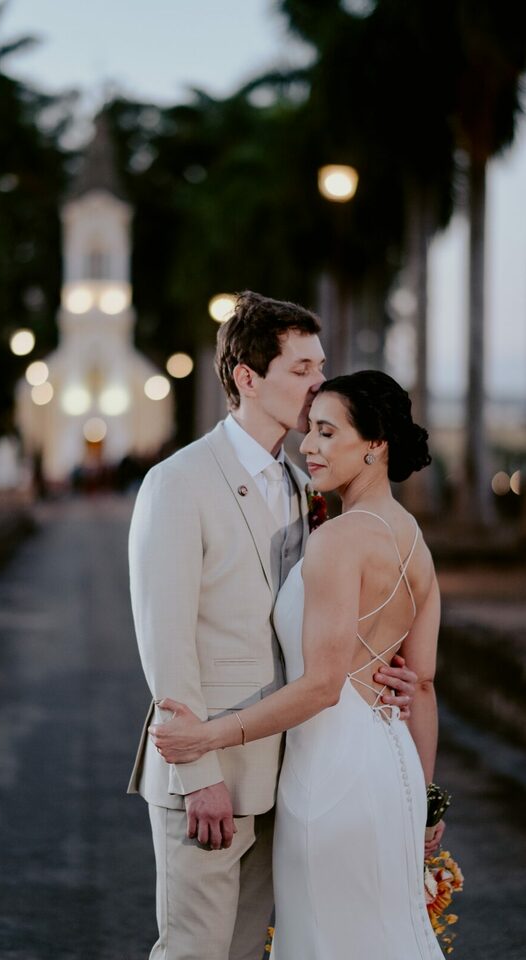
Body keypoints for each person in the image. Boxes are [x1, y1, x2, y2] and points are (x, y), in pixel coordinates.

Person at [128, 293, 419, 960]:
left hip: (287, 768)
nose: (319, 384)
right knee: (194, 952)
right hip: (207, 769)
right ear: (247, 379)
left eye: (321, 367)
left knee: (243, 952)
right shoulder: (179, 483)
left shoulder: (303, 487)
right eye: (301, 369)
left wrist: (380, 674)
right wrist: (198, 773)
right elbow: (165, 640)